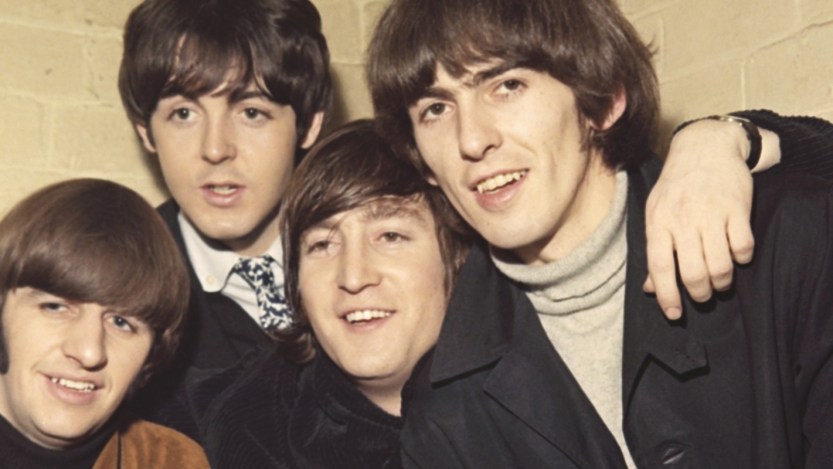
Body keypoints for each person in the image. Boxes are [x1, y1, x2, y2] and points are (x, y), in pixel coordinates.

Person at [366, 0, 833, 467]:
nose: (470, 140)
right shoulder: (441, 414)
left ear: (604, 100)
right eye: (435, 109)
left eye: (506, 85)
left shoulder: (789, 244)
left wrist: (723, 134)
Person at [174, 119, 469, 468]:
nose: (354, 276)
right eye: (323, 244)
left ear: (458, 257)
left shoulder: (527, 397)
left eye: (390, 236)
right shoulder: (247, 424)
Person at [117, 0, 331, 414]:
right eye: (183, 114)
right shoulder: (119, 292)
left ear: (309, 125)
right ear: (146, 132)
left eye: (251, 112)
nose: (215, 149)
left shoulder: (371, 258)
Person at [0, 179, 209, 468]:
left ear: (151, 355)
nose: (89, 352)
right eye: (56, 307)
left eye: (121, 322)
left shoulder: (170, 461)